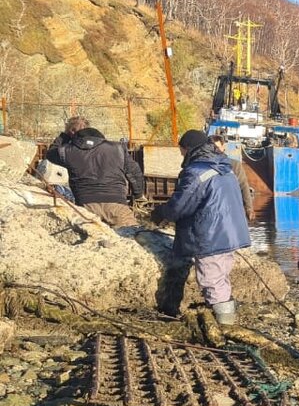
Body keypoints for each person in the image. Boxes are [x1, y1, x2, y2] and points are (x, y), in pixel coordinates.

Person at [150, 129, 250, 325]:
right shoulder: (225, 167)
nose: (181, 156)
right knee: (220, 278)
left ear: (188, 149)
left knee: (211, 280)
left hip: (210, 236)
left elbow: (179, 206)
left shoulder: (196, 173)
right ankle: (226, 317)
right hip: (230, 233)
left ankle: (225, 327)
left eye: (181, 151)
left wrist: (160, 213)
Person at [46, 125, 144, 227]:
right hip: (117, 205)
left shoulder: (68, 151)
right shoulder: (117, 148)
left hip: (86, 207)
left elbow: (50, 154)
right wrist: (138, 194)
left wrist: (65, 135)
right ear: (101, 138)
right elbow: (135, 172)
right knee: (130, 238)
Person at [211, 134, 254, 219]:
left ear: (224, 147)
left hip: (232, 210)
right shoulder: (206, 165)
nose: (216, 150)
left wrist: (249, 209)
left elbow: (243, 186)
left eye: (217, 147)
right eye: (212, 147)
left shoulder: (235, 165)